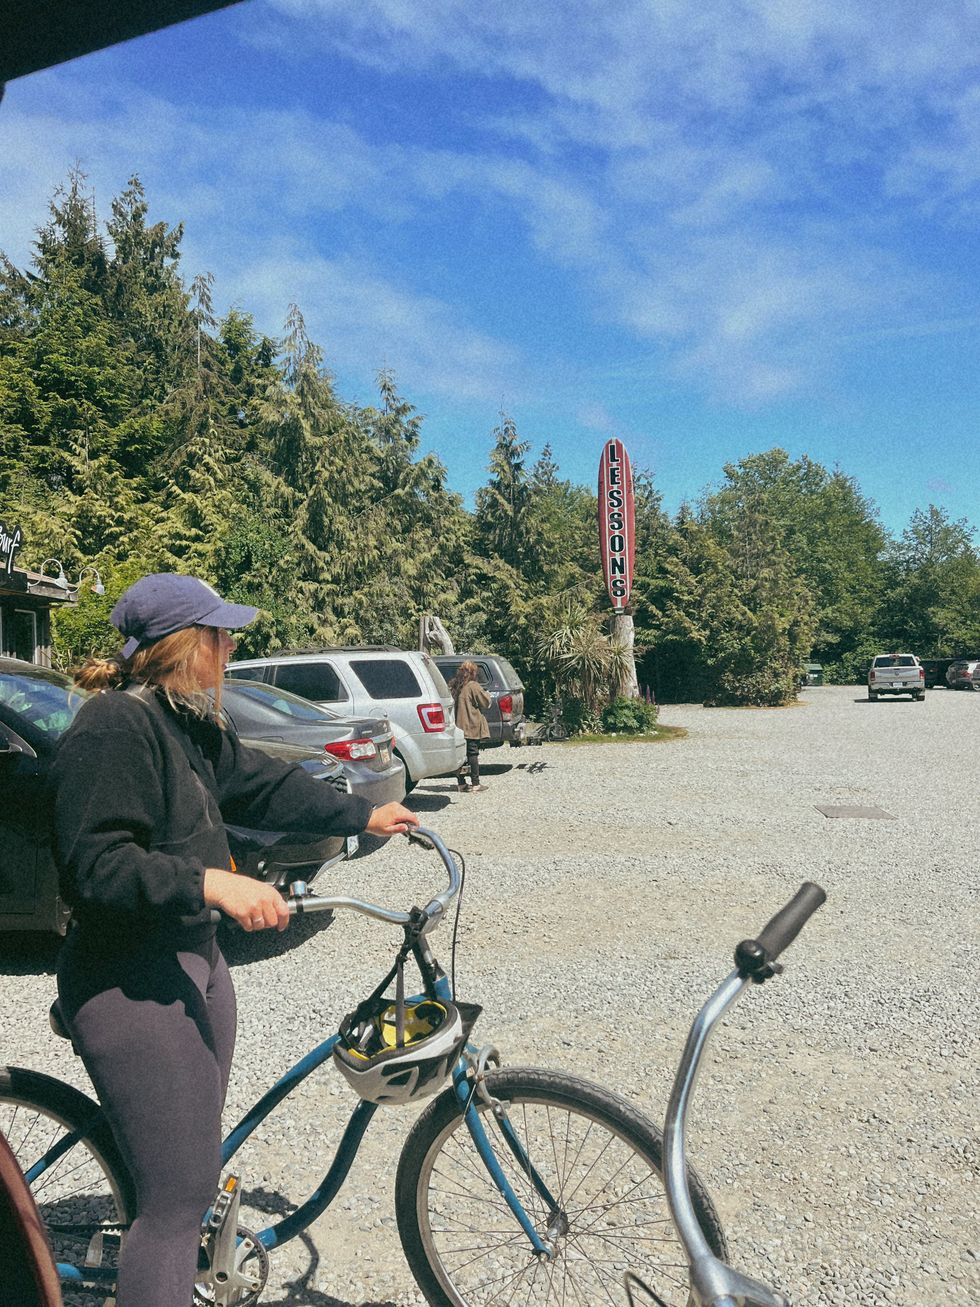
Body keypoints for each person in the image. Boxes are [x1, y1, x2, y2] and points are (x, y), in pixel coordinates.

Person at [50, 574, 418, 1307]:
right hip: (127, 977)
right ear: (189, 643)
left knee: (187, 1157)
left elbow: (263, 784)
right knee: (175, 1205)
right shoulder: (114, 725)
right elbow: (94, 865)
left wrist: (361, 813)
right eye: (221, 633)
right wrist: (213, 884)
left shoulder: (186, 723)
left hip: (195, 962)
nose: (232, 643)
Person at [448, 660, 491, 793]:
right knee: (473, 754)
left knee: (461, 756)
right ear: (473, 673)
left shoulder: (454, 685)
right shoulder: (473, 686)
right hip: (471, 725)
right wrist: (488, 695)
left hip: (457, 726)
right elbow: (485, 702)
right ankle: (476, 784)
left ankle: (461, 784)